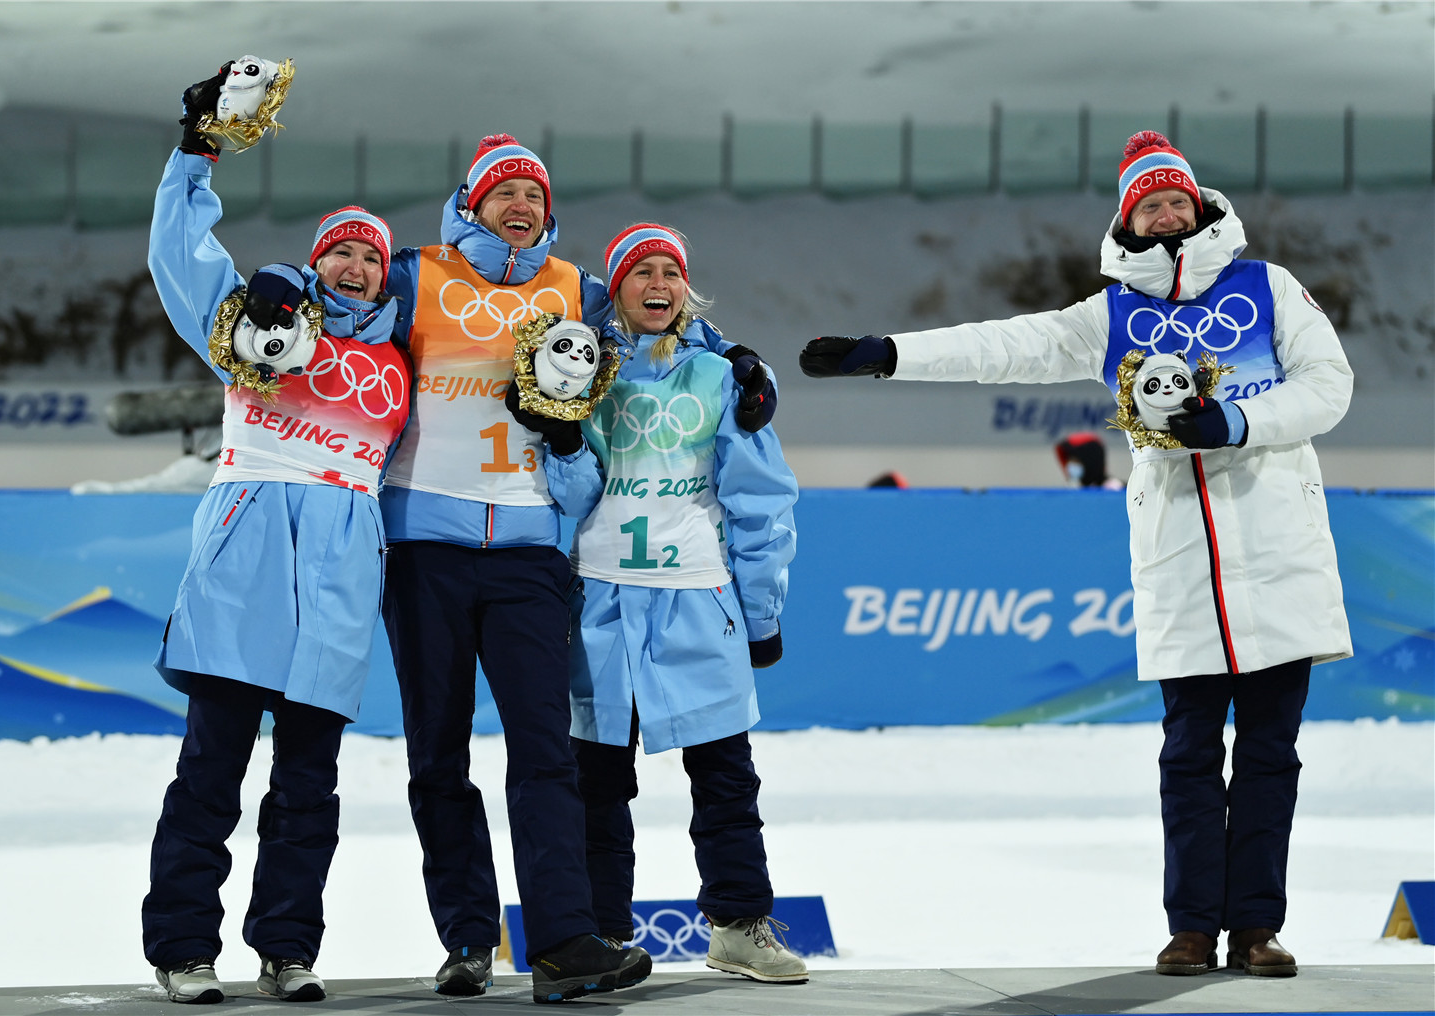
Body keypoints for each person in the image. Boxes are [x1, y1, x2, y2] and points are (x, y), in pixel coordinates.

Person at [801, 131, 1352, 979]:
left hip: (1278, 548)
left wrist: (1239, 421)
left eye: (1177, 199)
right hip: (1181, 562)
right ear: (1129, 221)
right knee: (1189, 753)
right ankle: (1194, 927)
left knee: (1273, 751)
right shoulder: (1109, 314)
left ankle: (1257, 929)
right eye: (1149, 204)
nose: (1166, 213)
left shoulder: (1268, 287)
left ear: (1201, 206)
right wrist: (891, 355)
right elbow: (1001, 347)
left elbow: (1328, 385)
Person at [142, 65, 411, 1004]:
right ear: (316, 260)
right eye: (340, 253)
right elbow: (179, 253)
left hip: (337, 588)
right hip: (241, 569)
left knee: (308, 793)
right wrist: (198, 148)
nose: (354, 268)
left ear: (386, 275)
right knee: (209, 775)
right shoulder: (254, 327)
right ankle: (184, 948)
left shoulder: (401, 361)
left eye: (370, 259)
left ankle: (288, 947)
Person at [372, 134, 654, 1004]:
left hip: (532, 552)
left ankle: (564, 942)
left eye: (533, 193)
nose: (521, 205)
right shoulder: (413, 273)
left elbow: (661, 319)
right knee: (437, 756)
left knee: (547, 755)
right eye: (504, 193)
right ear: (471, 203)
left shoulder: (576, 286)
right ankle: (465, 939)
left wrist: (738, 357)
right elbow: (326, 308)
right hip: (426, 549)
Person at [566, 224, 807, 983]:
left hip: (696, 600)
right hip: (600, 605)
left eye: (671, 270)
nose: (658, 283)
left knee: (726, 774)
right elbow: (565, 495)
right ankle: (600, 934)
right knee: (596, 784)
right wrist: (561, 426)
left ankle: (739, 925)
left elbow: (760, 502)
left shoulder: (725, 376)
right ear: (618, 289)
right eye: (641, 272)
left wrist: (762, 615)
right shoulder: (581, 370)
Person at [1055, 432, 1123, 489]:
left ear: (1090, 462)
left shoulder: (1114, 488)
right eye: (1069, 461)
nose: (1070, 465)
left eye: (1076, 461)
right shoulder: (1074, 489)